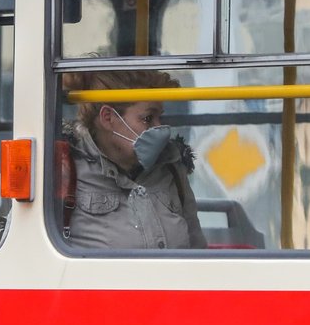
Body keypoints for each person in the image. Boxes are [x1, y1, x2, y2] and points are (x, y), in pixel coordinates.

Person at [61, 70, 207, 250]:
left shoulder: (172, 169)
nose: (159, 128)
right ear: (108, 118)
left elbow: (197, 250)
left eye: (160, 117)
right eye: (147, 118)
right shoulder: (64, 170)